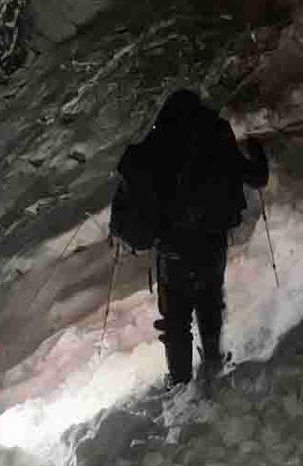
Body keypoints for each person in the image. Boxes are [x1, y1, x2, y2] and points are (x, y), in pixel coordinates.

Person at [114, 89, 268, 386]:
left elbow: (135, 184)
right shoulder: (216, 136)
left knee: (176, 319)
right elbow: (256, 176)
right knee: (209, 301)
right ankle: (212, 363)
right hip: (212, 243)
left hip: (173, 249)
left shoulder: (157, 144)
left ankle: (180, 382)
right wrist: (256, 149)